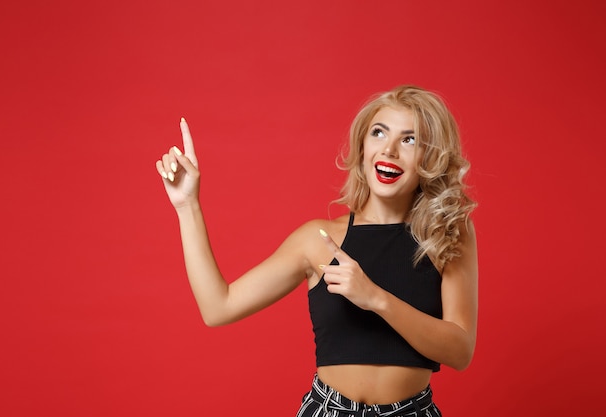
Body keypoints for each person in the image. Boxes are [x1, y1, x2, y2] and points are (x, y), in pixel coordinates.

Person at [155, 85, 478, 416]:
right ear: (363, 146)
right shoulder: (319, 239)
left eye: (409, 140)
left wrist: (376, 299)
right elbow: (217, 307)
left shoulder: (446, 233)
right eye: (379, 133)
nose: (390, 150)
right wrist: (187, 205)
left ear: (432, 157)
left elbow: (460, 351)